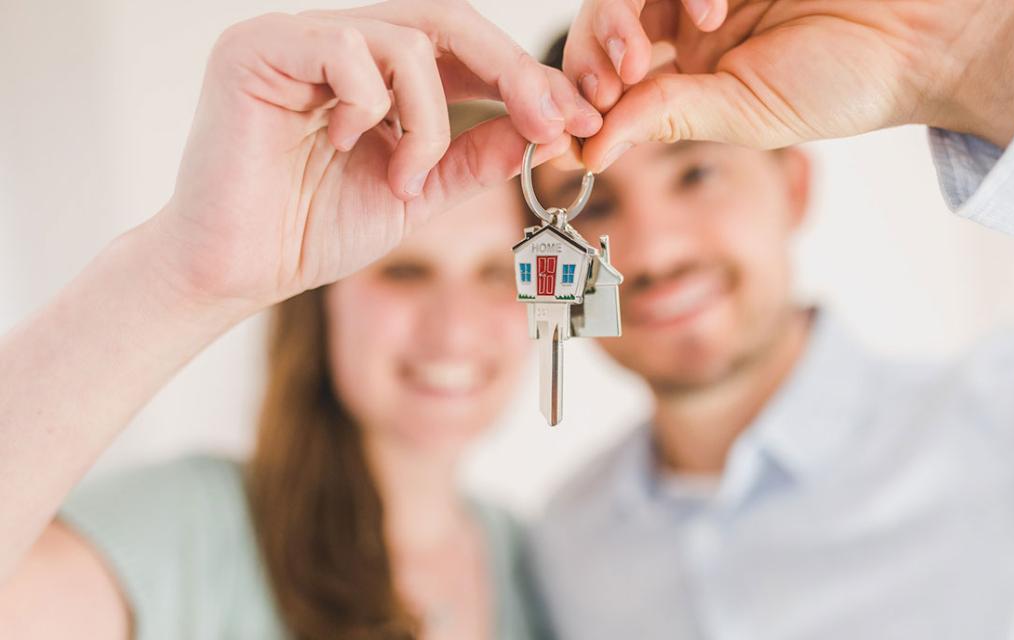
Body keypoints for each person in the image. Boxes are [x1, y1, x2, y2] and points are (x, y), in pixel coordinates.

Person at [0, 0, 603, 637]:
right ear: (322, 303)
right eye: (405, 272)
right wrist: (184, 272)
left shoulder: (535, 563)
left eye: (492, 274)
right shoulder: (192, 531)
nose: (454, 328)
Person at [528, 0, 1014, 635]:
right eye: (592, 206)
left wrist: (979, 55)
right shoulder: (563, 544)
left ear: (793, 188)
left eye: (695, 173)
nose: (653, 253)